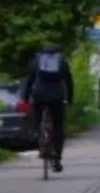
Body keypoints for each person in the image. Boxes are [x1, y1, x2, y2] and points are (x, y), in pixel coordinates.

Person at [21, 42, 76, 172]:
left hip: (39, 95)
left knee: (37, 118)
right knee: (58, 125)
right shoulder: (62, 62)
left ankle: (37, 134)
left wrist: (25, 98)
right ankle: (57, 157)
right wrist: (70, 99)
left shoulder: (37, 61)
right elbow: (69, 81)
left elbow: (30, 80)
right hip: (57, 96)